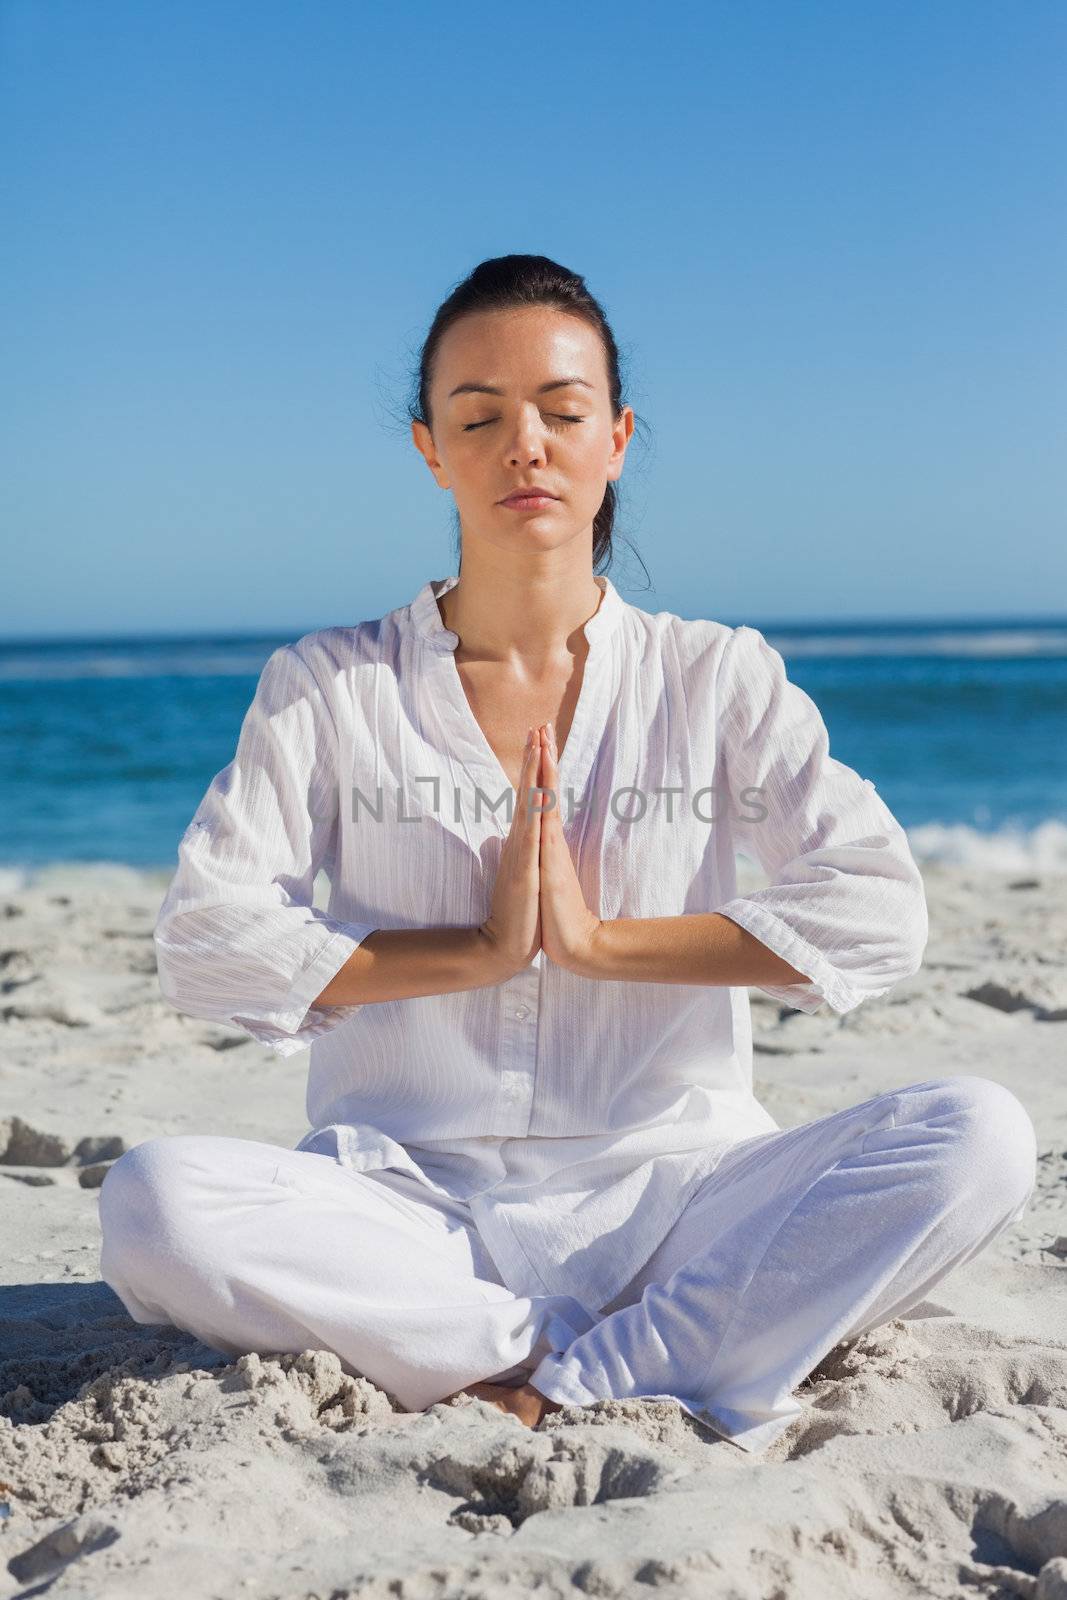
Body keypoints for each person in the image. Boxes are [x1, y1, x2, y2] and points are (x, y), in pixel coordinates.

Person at [98, 254, 1037, 1453]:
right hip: (406, 1206)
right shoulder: (330, 685)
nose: (522, 446)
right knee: (152, 1205)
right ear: (431, 449)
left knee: (977, 1133)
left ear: (617, 437)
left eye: (560, 410)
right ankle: (567, 1352)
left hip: (678, 1196)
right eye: (477, 417)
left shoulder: (714, 675)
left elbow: (875, 909)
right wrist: (479, 948)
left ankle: (582, 1370)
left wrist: (595, 944)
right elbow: (208, 942)